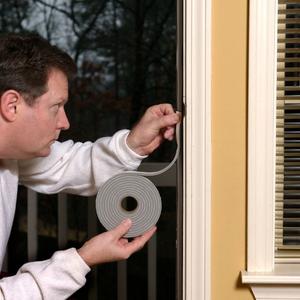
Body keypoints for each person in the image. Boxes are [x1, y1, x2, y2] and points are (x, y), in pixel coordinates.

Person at [0, 32, 180, 299]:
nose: (65, 122)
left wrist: (133, 145)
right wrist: (81, 261)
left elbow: (65, 164)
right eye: (56, 106)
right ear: (12, 105)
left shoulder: (9, 156)